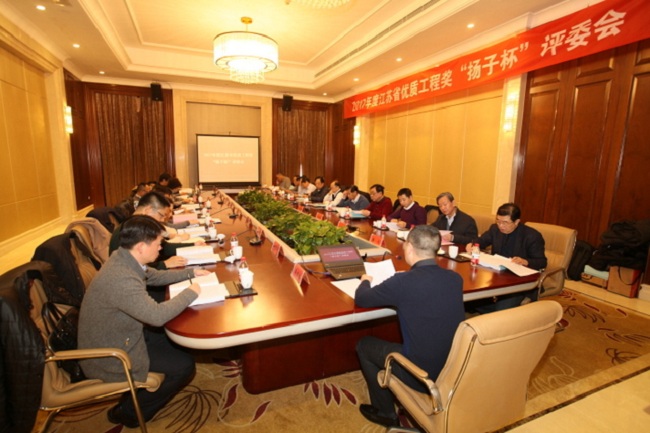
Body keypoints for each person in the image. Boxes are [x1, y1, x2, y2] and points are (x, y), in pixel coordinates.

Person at [78, 215, 209, 428]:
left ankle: (133, 402)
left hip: (124, 336)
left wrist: (191, 273)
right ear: (141, 246)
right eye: (158, 244)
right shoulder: (121, 277)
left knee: (177, 345)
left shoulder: (124, 258)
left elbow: (154, 276)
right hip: (112, 355)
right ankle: (129, 412)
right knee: (184, 366)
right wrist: (191, 292)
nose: (161, 248)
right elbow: (156, 317)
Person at [355, 225, 464, 427]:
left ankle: (385, 412)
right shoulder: (455, 278)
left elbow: (362, 299)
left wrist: (365, 280)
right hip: (453, 368)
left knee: (364, 345)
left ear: (410, 247)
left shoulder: (403, 282)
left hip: (421, 375)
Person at [465, 202, 547, 312]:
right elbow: (481, 241)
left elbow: (542, 262)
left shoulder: (531, 236)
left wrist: (525, 261)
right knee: (469, 300)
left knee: (501, 309)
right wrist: (472, 244)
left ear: (517, 222)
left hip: (520, 282)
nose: (500, 226)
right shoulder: (495, 229)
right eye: (498, 221)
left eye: (505, 223)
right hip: (497, 277)